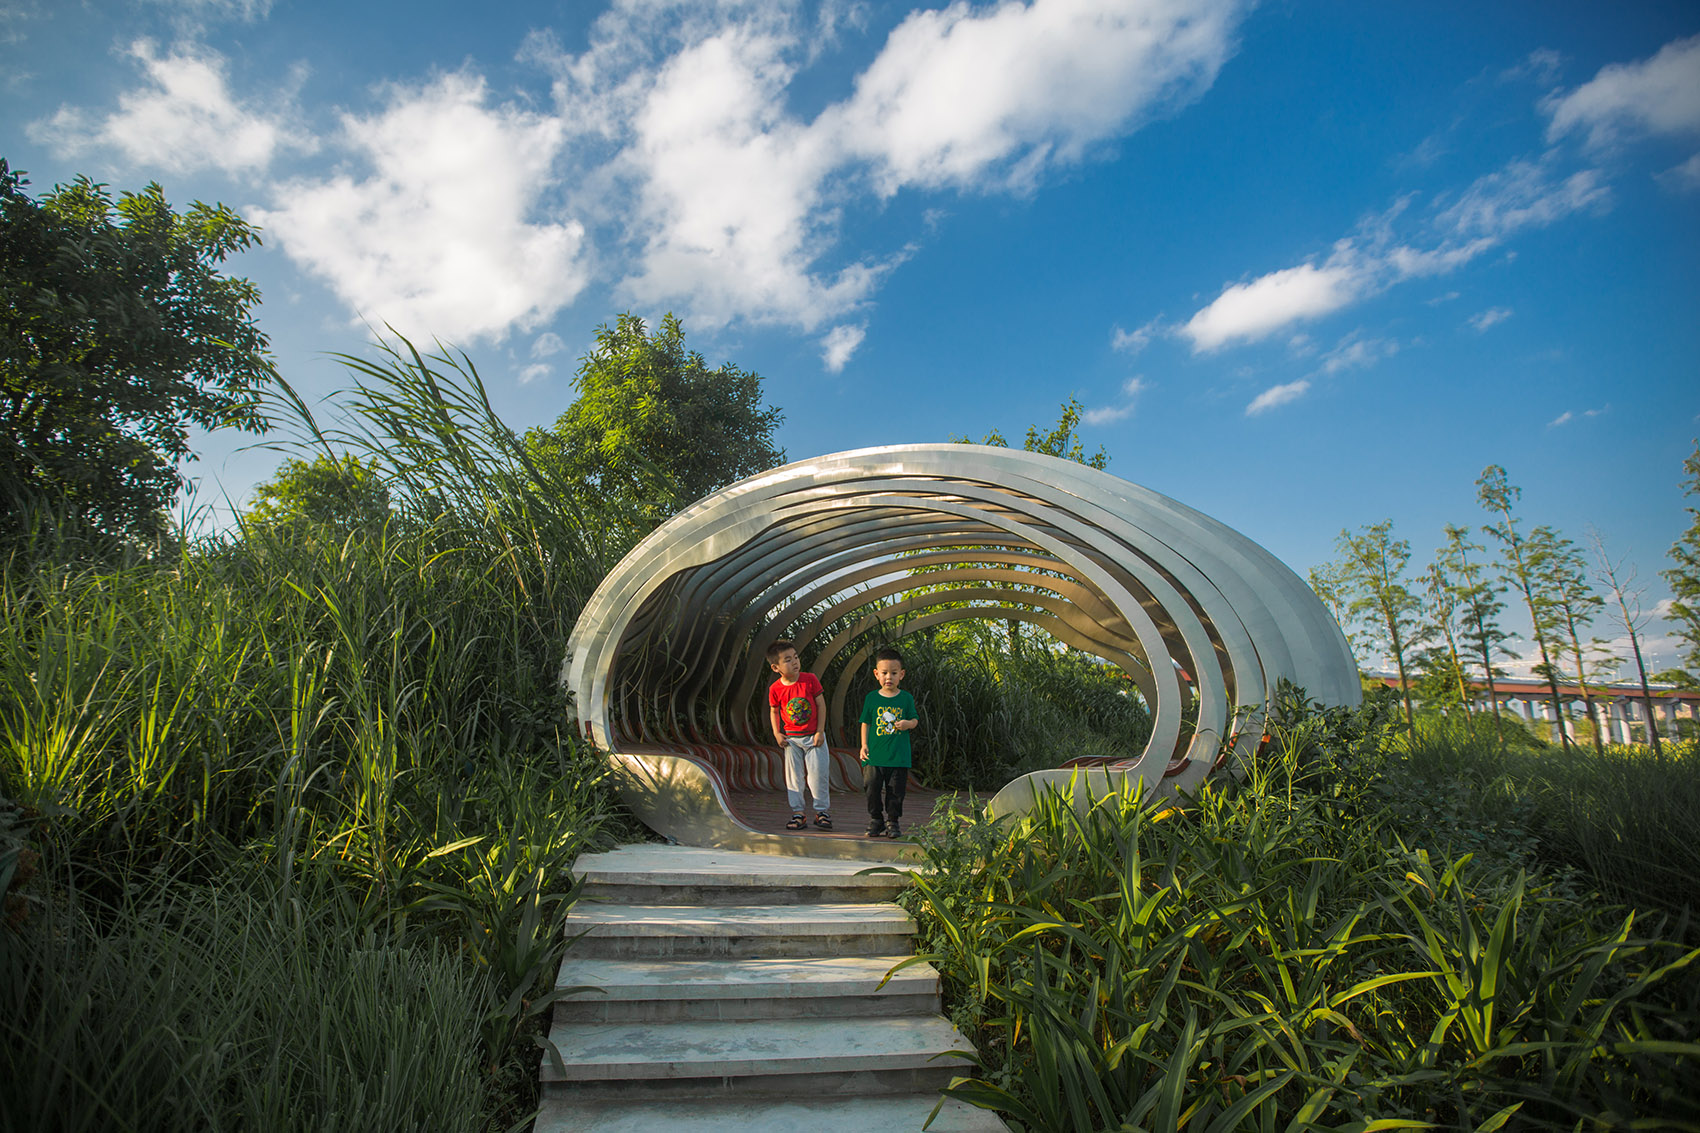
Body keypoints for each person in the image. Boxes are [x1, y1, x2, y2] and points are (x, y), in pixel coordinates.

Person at [767, 639, 831, 830]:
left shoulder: (809, 679)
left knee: (818, 775)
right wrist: (777, 733)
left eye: (795, 657)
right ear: (775, 667)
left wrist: (820, 731)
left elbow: (821, 705)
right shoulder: (775, 689)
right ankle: (798, 813)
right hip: (791, 740)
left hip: (813, 737)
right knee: (794, 777)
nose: (794, 662)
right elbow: (774, 711)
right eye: (787, 660)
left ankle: (822, 813)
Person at [859, 646, 918, 838]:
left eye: (893, 673)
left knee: (896, 791)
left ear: (901, 674)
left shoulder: (906, 698)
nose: (888, 677)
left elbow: (915, 721)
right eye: (884, 673)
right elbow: (865, 722)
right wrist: (864, 745)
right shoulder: (872, 698)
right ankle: (876, 819)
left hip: (898, 756)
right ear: (876, 674)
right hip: (875, 754)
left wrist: (907, 723)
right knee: (871, 785)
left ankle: (893, 821)